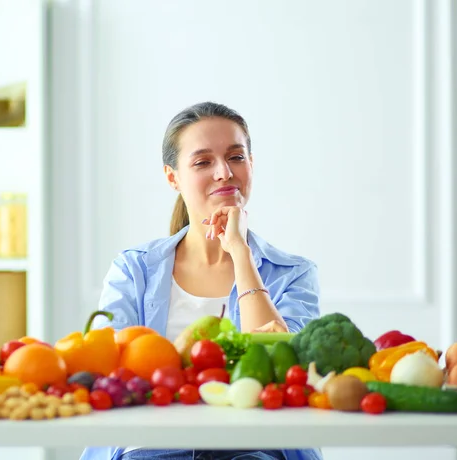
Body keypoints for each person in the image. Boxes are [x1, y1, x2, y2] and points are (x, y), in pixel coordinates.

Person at [80, 102, 323, 460]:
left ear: (251, 166)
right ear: (172, 177)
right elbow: (115, 375)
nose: (224, 172)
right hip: (152, 447)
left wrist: (240, 252)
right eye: (203, 162)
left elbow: (283, 371)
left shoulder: (294, 273)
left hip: (252, 447)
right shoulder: (133, 270)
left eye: (236, 157)